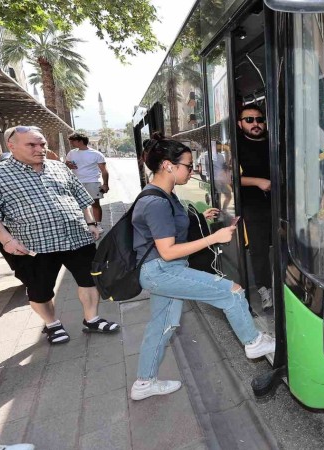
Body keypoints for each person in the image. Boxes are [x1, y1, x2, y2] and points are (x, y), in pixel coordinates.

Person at [130, 133, 274, 401]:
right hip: (163, 271)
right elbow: (167, 250)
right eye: (187, 165)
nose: (192, 170)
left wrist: (201, 217)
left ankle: (143, 383)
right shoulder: (157, 202)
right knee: (232, 291)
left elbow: (169, 231)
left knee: (162, 326)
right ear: (168, 165)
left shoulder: (164, 194)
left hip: (161, 271)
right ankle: (254, 343)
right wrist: (214, 238)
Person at [0, 126, 118, 345]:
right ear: (12, 146)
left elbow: (81, 197)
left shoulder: (59, 168)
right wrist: (7, 240)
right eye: (32, 145)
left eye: (42, 144)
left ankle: (91, 319)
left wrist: (91, 222)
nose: (40, 149)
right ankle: (52, 324)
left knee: (89, 281)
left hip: (78, 238)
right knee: (40, 291)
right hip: (35, 246)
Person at [236, 105, 273, 310]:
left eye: (259, 119)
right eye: (249, 120)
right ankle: (264, 289)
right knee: (258, 250)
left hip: (281, 203)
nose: (255, 124)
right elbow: (226, 178)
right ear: (240, 123)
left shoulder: (273, 141)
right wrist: (258, 182)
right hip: (253, 206)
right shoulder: (236, 145)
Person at [66, 133, 109, 231]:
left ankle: (98, 225)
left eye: (73, 141)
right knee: (78, 205)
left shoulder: (96, 154)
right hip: (76, 182)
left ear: (80, 141)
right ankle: (85, 225)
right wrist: (68, 165)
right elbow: (66, 164)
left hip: (92, 182)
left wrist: (105, 184)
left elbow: (104, 170)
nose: (71, 143)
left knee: (95, 204)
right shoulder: (71, 153)